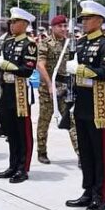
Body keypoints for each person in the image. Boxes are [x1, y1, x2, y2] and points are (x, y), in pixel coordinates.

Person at [65, 0, 105, 210]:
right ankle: (87, 190)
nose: (84, 22)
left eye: (87, 18)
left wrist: (81, 69)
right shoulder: (80, 43)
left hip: (99, 105)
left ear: (99, 20)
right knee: (85, 152)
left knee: (99, 151)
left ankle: (100, 194)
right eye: (83, 19)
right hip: (81, 102)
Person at [0, 8, 38, 183]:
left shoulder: (29, 44)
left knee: (22, 131)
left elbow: (26, 70)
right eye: (10, 22)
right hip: (7, 89)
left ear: (25, 24)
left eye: (15, 21)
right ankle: (12, 165)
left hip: (20, 91)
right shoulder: (7, 42)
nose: (11, 24)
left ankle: (23, 168)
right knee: (10, 130)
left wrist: (6, 64)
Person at [35, 15, 79, 165]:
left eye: (65, 26)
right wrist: (49, 85)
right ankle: (42, 152)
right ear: (52, 28)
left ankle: (81, 155)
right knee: (44, 120)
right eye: (60, 26)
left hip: (66, 87)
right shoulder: (46, 43)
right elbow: (40, 65)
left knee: (71, 121)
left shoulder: (70, 42)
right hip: (48, 88)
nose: (63, 29)